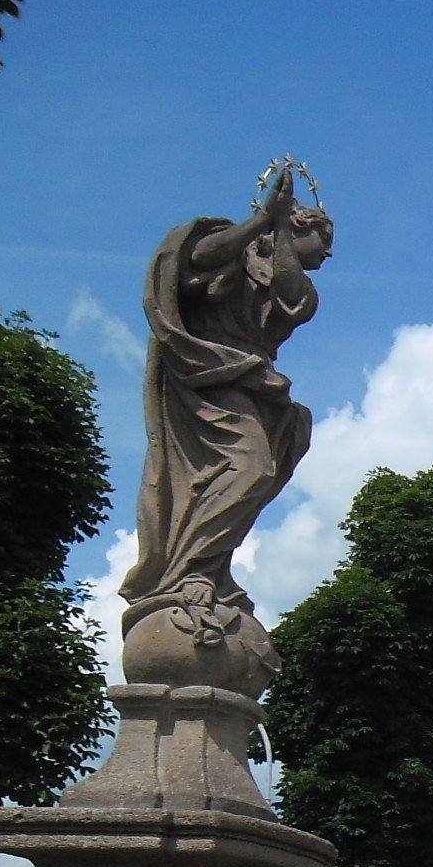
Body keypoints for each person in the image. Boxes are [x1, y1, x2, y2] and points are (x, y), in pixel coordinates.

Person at [123, 168, 333, 667]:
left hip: (252, 381)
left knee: (258, 465)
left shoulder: (297, 284)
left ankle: (210, 568)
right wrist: (262, 219)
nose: (327, 255)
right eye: (322, 240)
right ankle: (188, 571)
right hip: (207, 373)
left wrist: (277, 229)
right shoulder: (230, 246)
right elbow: (193, 258)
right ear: (301, 225)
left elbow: (293, 298)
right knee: (250, 467)